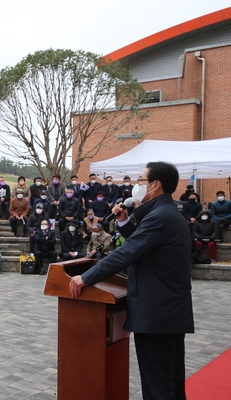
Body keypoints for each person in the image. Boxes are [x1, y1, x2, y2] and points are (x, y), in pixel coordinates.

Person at [70, 161, 194, 400]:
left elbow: (127, 253)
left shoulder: (160, 217)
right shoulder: (165, 214)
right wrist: (125, 221)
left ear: (156, 185)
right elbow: (144, 245)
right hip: (168, 311)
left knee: (159, 386)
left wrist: (86, 277)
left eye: (141, 180)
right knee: (171, 383)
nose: (136, 185)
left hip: (158, 313)